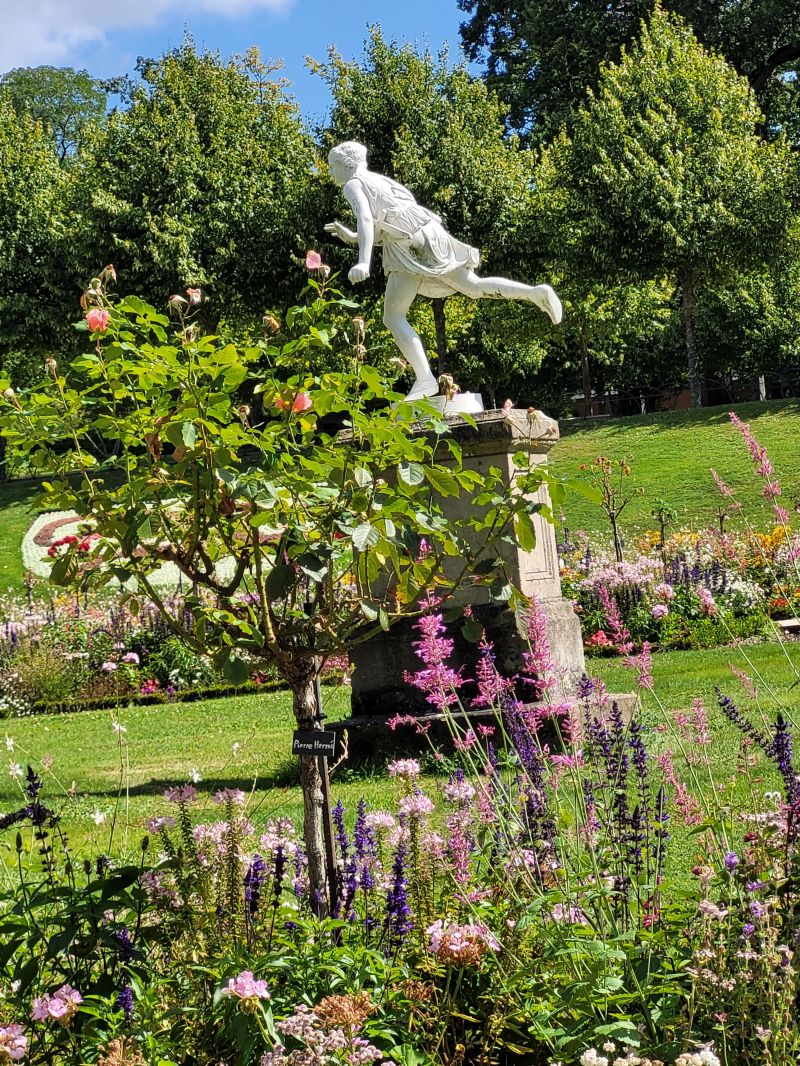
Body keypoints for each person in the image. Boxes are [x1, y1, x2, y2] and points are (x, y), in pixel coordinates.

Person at [325, 140, 563, 401]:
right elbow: (392, 220)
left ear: (345, 164)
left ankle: (425, 380)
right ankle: (535, 293)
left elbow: (367, 219)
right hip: (428, 234)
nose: (330, 172)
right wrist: (353, 237)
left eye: (331, 166)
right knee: (473, 287)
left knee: (393, 317)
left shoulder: (353, 184)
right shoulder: (382, 181)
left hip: (409, 246)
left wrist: (362, 261)